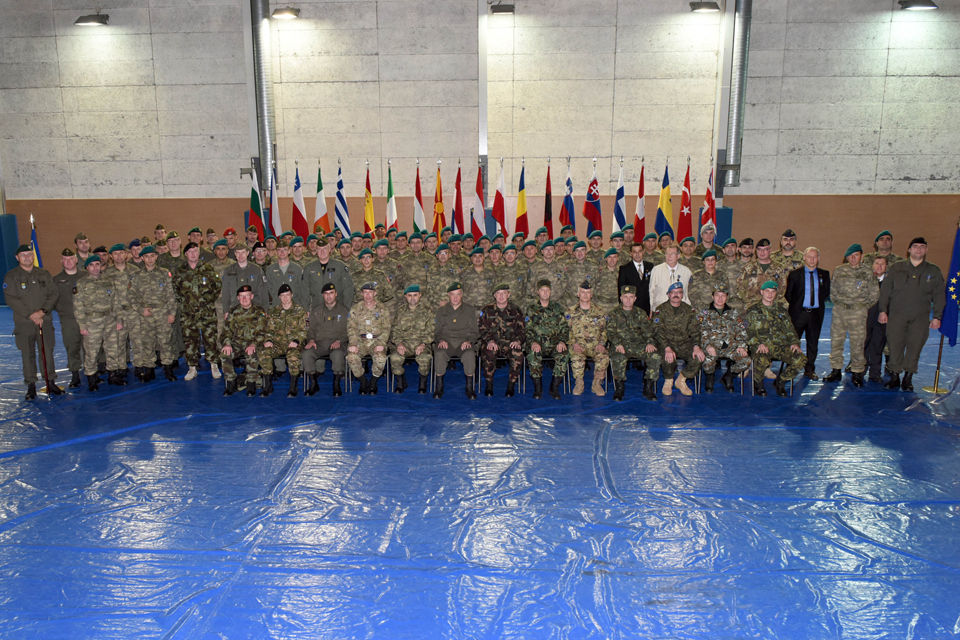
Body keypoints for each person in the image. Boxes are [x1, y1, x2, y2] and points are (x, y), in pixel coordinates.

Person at [878, 237, 945, 392]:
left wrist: (937, 316)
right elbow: (886, 291)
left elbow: (939, 295)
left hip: (920, 317)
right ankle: (895, 376)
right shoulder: (896, 268)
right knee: (895, 346)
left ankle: (908, 378)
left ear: (926, 250)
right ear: (909, 250)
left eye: (922, 247)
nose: (919, 249)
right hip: (897, 315)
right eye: (915, 246)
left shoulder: (933, 271)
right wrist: (883, 310)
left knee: (915, 347)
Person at [4, 244, 63, 398]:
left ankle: (50, 382)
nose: (26, 257)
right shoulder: (12, 276)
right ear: (17, 258)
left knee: (47, 352)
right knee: (27, 354)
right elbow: (11, 299)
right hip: (24, 322)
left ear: (33, 256)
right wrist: (31, 315)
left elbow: (54, 294)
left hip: (45, 320)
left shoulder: (44, 274)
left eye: (29, 254)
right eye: (23, 255)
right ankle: (31, 385)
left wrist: (42, 312)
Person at [823, 244, 878, 387]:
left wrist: (861, 306)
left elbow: (874, 294)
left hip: (858, 312)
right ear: (846, 257)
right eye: (850, 256)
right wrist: (841, 304)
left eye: (856, 255)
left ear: (861, 256)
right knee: (836, 341)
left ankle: (857, 372)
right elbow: (833, 291)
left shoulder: (867, 272)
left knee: (858, 343)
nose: (853, 258)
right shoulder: (839, 270)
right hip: (840, 311)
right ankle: (835, 370)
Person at [745, 280, 806, 397]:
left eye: (773, 292)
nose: (770, 294)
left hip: (780, 347)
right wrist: (758, 344)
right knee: (761, 359)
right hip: (761, 346)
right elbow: (748, 332)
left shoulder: (781, 311)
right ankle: (758, 383)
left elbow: (790, 330)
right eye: (767, 291)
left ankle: (780, 381)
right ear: (762, 292)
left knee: (800, 359)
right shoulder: (752, 310)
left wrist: (794, 343)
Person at [128, 245, 178, 383]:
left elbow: (171, 295)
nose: (150, 259)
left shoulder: (164, 273)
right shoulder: (137, 276)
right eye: (146, 256)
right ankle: (149, 369)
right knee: (147, 342)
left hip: (163, 312)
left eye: (152, 256)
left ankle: (168, 368)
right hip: (146, 314)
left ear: (156, 256)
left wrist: (171, 312)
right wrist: (140, 309)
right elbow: (131, 296)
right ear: (142, 258)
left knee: (165, 341)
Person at [74, 255, 123, 391]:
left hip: (109, 319)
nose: (95, 267)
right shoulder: (81, 283)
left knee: (113, 348)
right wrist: (82, 326)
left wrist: (119, 320)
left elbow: (116, 302)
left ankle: (113, 375)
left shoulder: (108, 281)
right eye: (92, 265)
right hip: (92, 321)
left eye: (97, 264)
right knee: (92, 351)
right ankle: (91, 377)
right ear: (87, 267)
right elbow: (78, 306)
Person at [174, 242, 221, 381]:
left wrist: (207, 302)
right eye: (190, 252)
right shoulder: (181, 271)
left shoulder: (208, 268)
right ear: (186, 254)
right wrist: (185, 304)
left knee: (210, 339)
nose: (193, 254)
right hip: (188, 314)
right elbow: (176, 289)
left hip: (207, 312)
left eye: (195, 251)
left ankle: (214, 365)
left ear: (199, 252)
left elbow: (217, 286)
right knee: (190, 340)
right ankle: (192, 368)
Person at [608, 285, 660, 401]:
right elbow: (610, 332)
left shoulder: (641, 313)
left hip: (638, 345)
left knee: (655, 356)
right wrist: (617, 344)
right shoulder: (613, 314)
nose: (628, 299)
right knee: (618, 357)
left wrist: (650, 343)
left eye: (631, 297)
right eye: (625, 297)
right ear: (621, 298)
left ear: (635, 299)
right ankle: (619, 389)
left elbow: (648, 331)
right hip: (621, 345)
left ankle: (648, 388)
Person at [785, 247, 830, 380]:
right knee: (793, 342)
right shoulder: (794, 274)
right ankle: (791, 368)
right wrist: (798, 307)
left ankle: (809, 369)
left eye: (814, 257)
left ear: (818, 258)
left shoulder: (824, 274)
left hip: (816, 314)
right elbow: (789, 294)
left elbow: (825, 293)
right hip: (798, 314)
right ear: (804, 257)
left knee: (813, 343)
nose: (812, 259)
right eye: (809, 256)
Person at [652, 281, 704, 396]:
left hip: (684, 342)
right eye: (673, 292)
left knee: (698, 357)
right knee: (668, 358)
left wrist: (696, 346)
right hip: (666, 342)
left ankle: (681, 380)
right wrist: (666, 347)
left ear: (682, 294)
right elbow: (657, 331)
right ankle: (668, 381)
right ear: (668, 294)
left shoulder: (689, 310)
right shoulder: (661, 309)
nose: (676, 294)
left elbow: (695, 330)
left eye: (679, 292)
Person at [698, 282, 751, 393]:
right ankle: (710, 377)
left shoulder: (733, 313)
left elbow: (741, 331)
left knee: (746, 361)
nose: (720, 298)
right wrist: (707, 346)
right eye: (717, 295)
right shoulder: (704, 313)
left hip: (730, 347)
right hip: (712, 347)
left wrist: (741, 346)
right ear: (712, 296)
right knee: (707, 362)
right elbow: (700, 332)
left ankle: (729, 377)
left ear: (727, 297)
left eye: (723, 295)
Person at [259, 284, 308, 397]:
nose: (285, 298)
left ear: (292, 295)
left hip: (294, 343)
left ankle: (293, 387)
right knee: (264, 352)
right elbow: (269, 330)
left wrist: (296, 341)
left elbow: (304, 330)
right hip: (278, 344)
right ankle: (267, 386)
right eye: (282, 296)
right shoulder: (274, 312)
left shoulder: (300, 311)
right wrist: (269, 340)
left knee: (293, 356)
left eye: (287, 295)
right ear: (279, 297)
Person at [433, 282, 479, 399]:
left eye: (458, 294)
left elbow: (475, 331)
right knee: (439, 353)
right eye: (452, 294)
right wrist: (441, 340)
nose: (455, 297)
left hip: (463, 342)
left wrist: (469, 341)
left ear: (462, 295)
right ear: (448, 295)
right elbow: (437, 331)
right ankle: (439, 387)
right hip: (446, 342)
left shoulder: (469, 310)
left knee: (469, 354)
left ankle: (469, 387)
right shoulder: (441, 311)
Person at [524, 279, 569, 400]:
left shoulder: (557, 308)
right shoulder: (532, 309)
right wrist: (533, 341)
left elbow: (564, 328)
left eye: (547, 290)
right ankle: (538, 388)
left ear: (550, 292)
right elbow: (527, 329)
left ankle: (554, 387)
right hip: (538, 344)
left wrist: (562, 341)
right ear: (538, 292)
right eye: (542, 290)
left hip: (554, 344)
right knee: (533, 354)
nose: (545, 293)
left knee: (563, 354)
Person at [220, 284, 268, 397]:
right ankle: (231, 382)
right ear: (238, 298)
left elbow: (262, 333)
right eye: (241, 296)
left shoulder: (259, 312)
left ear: (252, 296)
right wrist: (227, 343)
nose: (244, 299)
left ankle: (251, 383)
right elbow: (226, 331)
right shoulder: (233, 312)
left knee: (251, 353)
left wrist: (253, 344)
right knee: (224, 354)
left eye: (247, 296)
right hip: (237, 343)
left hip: (254, 343)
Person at [302, 283, 349, 397]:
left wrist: (339, 340)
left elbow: (348, 330)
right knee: (307, 353)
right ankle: (314, 384)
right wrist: (311, 340)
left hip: (338, 342)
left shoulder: (343, 310)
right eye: (326, 294)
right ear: (322, 295)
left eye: (331, 293)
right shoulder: (316, 310)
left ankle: (336, 384)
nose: (329, 296)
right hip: (320, 343)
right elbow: (311, 329)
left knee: (337, 354)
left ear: (336, 294)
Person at [478, 283, 525, 397]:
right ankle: (489, 385)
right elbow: (481, 329)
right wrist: (489, 341)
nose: (501, 296)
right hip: (493, 343)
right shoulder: (487, 310)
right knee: (489, 353)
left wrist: (517, 341)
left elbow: (522, 330)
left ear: (508, 295)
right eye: (498, 294)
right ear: (494, 295)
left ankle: (511, 386)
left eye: (504, 293)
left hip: (510, 343)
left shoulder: (516, 310)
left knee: (518, 354)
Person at [346, 282, 392, 395]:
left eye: (370, 292)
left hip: (377, 341)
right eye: (365, 292)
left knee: (381, 358)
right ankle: (363, 382)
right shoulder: (355, 308)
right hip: (360, 341)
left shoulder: (382, 309)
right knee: (351, 357)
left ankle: (373, 382)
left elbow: (387, 328)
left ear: (375, 293)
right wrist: (353, 343)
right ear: (361, 294)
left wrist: (381, 342)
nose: (368, 295)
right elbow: (351, 327)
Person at [389, 284, 435, 395]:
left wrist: (423, 343)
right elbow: (395, 330)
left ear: (420, 296)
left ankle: (422, 383)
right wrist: (399, 343)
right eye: (409, 295)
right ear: (405, 297)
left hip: (422, 343)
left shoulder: (427, 311)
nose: (412, 298)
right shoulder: (400, 311)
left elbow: (433, 330)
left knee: (424, 358)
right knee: (395, 357)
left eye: (415, 295)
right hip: (404, 343)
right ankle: (401, 382)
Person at [567, 281, 608, 396]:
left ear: (592, 295)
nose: (585, 295)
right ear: (578, 294)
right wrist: (574, 343)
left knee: (603, 355)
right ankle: (579, 383)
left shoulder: (599, 312)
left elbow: (604, 330)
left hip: (595, 345)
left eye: (588, 292)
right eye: (583, 292)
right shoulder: (570, 312)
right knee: (576, 356)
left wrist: (601, 343)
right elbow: (567, 331)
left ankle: (597, 383)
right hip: (578, 344)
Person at [53, 248, 86, 388]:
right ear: (61, 261)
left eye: (71, 259)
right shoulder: (55, 280)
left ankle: (93, 373)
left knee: (91, 346)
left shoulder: (86, 276)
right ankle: (75, 374)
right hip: (68, 319)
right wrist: (63, 310)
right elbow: (51, 299)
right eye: (65, 259)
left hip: (87, 318)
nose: (68, 262)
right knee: (72, 346)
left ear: (76, 260)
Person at [304, 237, 354, 312]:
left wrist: (346, 309)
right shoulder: (309, 268)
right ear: (316, 251)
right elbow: (304, 290)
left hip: (337, 310)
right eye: (320, 249)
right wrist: (307, 310)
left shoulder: (340, 266)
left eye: (325, 249)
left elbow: (348, 289)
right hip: (316, 310)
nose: (322, 251)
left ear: (329, 250)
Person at [737, 238, 789, 309]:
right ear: (756, 251)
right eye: (759, 249)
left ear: (770, 250)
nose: (762, 252)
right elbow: (740, 287)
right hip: (751, 307)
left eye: (765, 249)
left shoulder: (778, 268)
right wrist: (748, 301)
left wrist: (771, 301)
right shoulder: (748, 268)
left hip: (772, 307)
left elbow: (782, 288)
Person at [221, 244, 266, 313]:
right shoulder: (228, 271)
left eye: (243, 252)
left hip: (255, 310)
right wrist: (226, 311)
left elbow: (263, 292)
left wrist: (265, 310)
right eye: (238, 253)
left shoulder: (256, 270)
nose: (240, 255)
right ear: (235, 253)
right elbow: (225, 293)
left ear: (247, 253)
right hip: (234, 310)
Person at [864, 256, 889, 383]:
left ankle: (875, 373)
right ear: (872, 265)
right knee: (863, 345)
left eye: (882, 264)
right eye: (877, 263)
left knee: (878, 346)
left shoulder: (891, 282)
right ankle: (859, 371)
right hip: (866, 318)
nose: (879, 266)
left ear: (886, 267)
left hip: (882, 320)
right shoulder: (866, 280)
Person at [524, 240, 569, 309]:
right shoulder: (535, 268)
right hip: (539, 304)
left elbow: (564, 284)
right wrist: (540, 298)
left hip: (557, 303)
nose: (548, 252)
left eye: (551, 249)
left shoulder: (561, 267)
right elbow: (530, 286)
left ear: (554, 251)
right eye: (546, 249)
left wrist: (555, 298)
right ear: (542, 251)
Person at [264, 239, 306, 309]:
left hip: (295, 307)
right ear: (276, 252)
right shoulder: (270, 269)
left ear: (289, 251)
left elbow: (302, 290)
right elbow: (270, 289)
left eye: (285, 250)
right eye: (279, 250)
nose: (282, 252)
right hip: (276, 307)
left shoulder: (297, 269)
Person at [649, 244, 692, 310]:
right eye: (667, 254)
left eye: (672, 254)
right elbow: (651, 291)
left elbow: (689, 292)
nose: (669, 256)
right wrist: (651, 309)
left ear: (678, 256)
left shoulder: (686, 271)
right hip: (660, 308)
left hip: (681, 309)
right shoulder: (656, 270)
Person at [617, 242, 654, 315]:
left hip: (647, 306)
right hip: (631, 307)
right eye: (634, 252)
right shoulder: (624, 269)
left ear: (643, 252)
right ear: (631, 253)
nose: (637, 254)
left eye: (640, 251)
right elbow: (621, 290)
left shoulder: (650, 266)